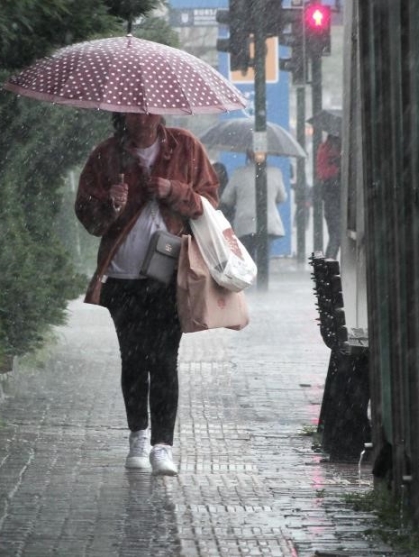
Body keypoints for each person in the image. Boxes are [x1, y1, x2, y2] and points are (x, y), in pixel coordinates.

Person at [74, 112, 218, 476]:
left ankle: (163, 446)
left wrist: (175, 192)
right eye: (134, 111)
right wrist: (110, 203)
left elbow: (210, 203)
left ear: (160, 111)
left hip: (170, 274)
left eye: (149, 109)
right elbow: (88, 218)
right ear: (122, 114)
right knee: (134, 359)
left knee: (165, 359)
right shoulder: (106, 155)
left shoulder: (185, 146)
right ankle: (138, 436)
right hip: (122, 276)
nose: (143, 117)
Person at [219, 150, 288, 258]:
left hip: (244, 222)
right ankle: (262, 273)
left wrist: (240, 198)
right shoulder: (275, 172)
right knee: (263, 257)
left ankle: (252, 272)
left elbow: (226, 198)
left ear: (247, 155)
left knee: (248, 258)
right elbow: (282, 197)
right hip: (268, 222)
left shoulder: (239, 173)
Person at [316, 133, 342, 258]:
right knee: (336, 237)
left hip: (331, 198)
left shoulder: (325, 148)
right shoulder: (328, 150)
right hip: (334, 198)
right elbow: (324, 173)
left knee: (335, 236)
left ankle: (329, 269)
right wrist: (338, 167)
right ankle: (329, 269)